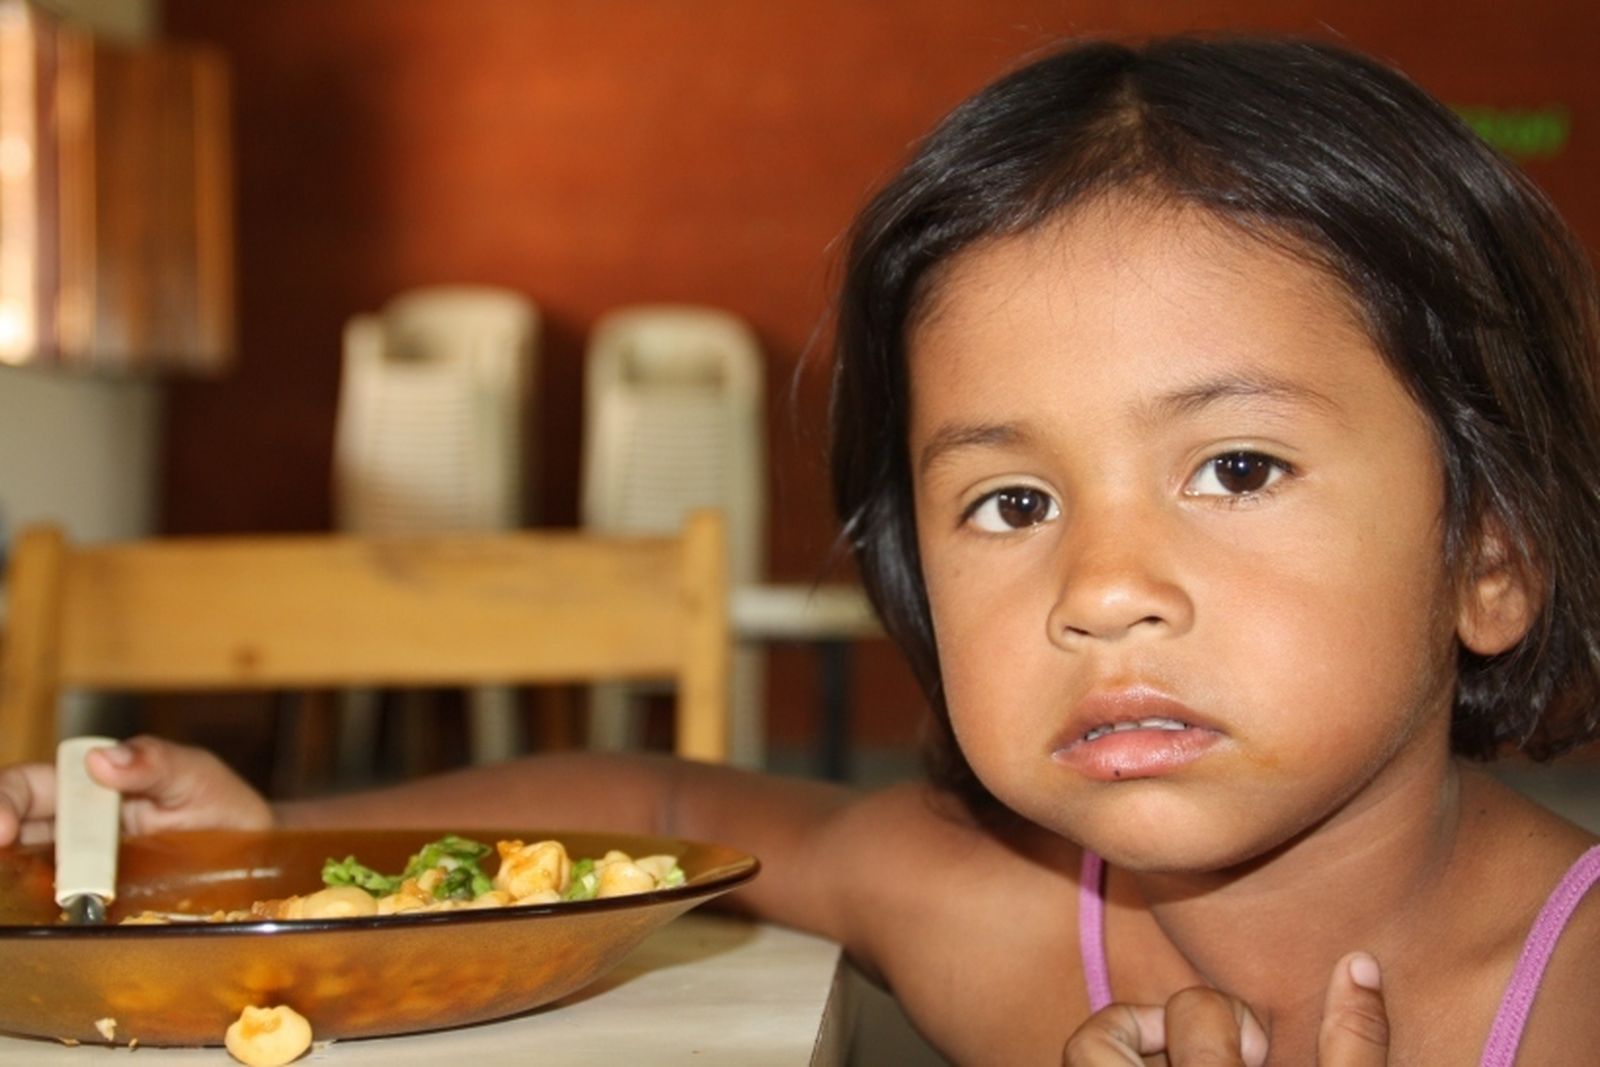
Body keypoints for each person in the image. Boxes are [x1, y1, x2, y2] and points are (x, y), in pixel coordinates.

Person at [4, 34, 1599, 1066]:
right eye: (1011, 505)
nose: (1103, 588)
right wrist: (273, 838)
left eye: (1236, 466)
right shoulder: (989, 916)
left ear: (1494, 555)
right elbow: (665, 800)